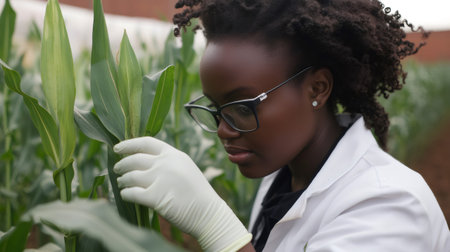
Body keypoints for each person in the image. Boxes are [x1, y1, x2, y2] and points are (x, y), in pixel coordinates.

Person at [112, 0, 450, 251]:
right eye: (216, 109)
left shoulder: (390, 207)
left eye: (242, 107)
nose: (223, 131)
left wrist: (216, 227)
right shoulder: (285, 173)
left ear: (317, 88)